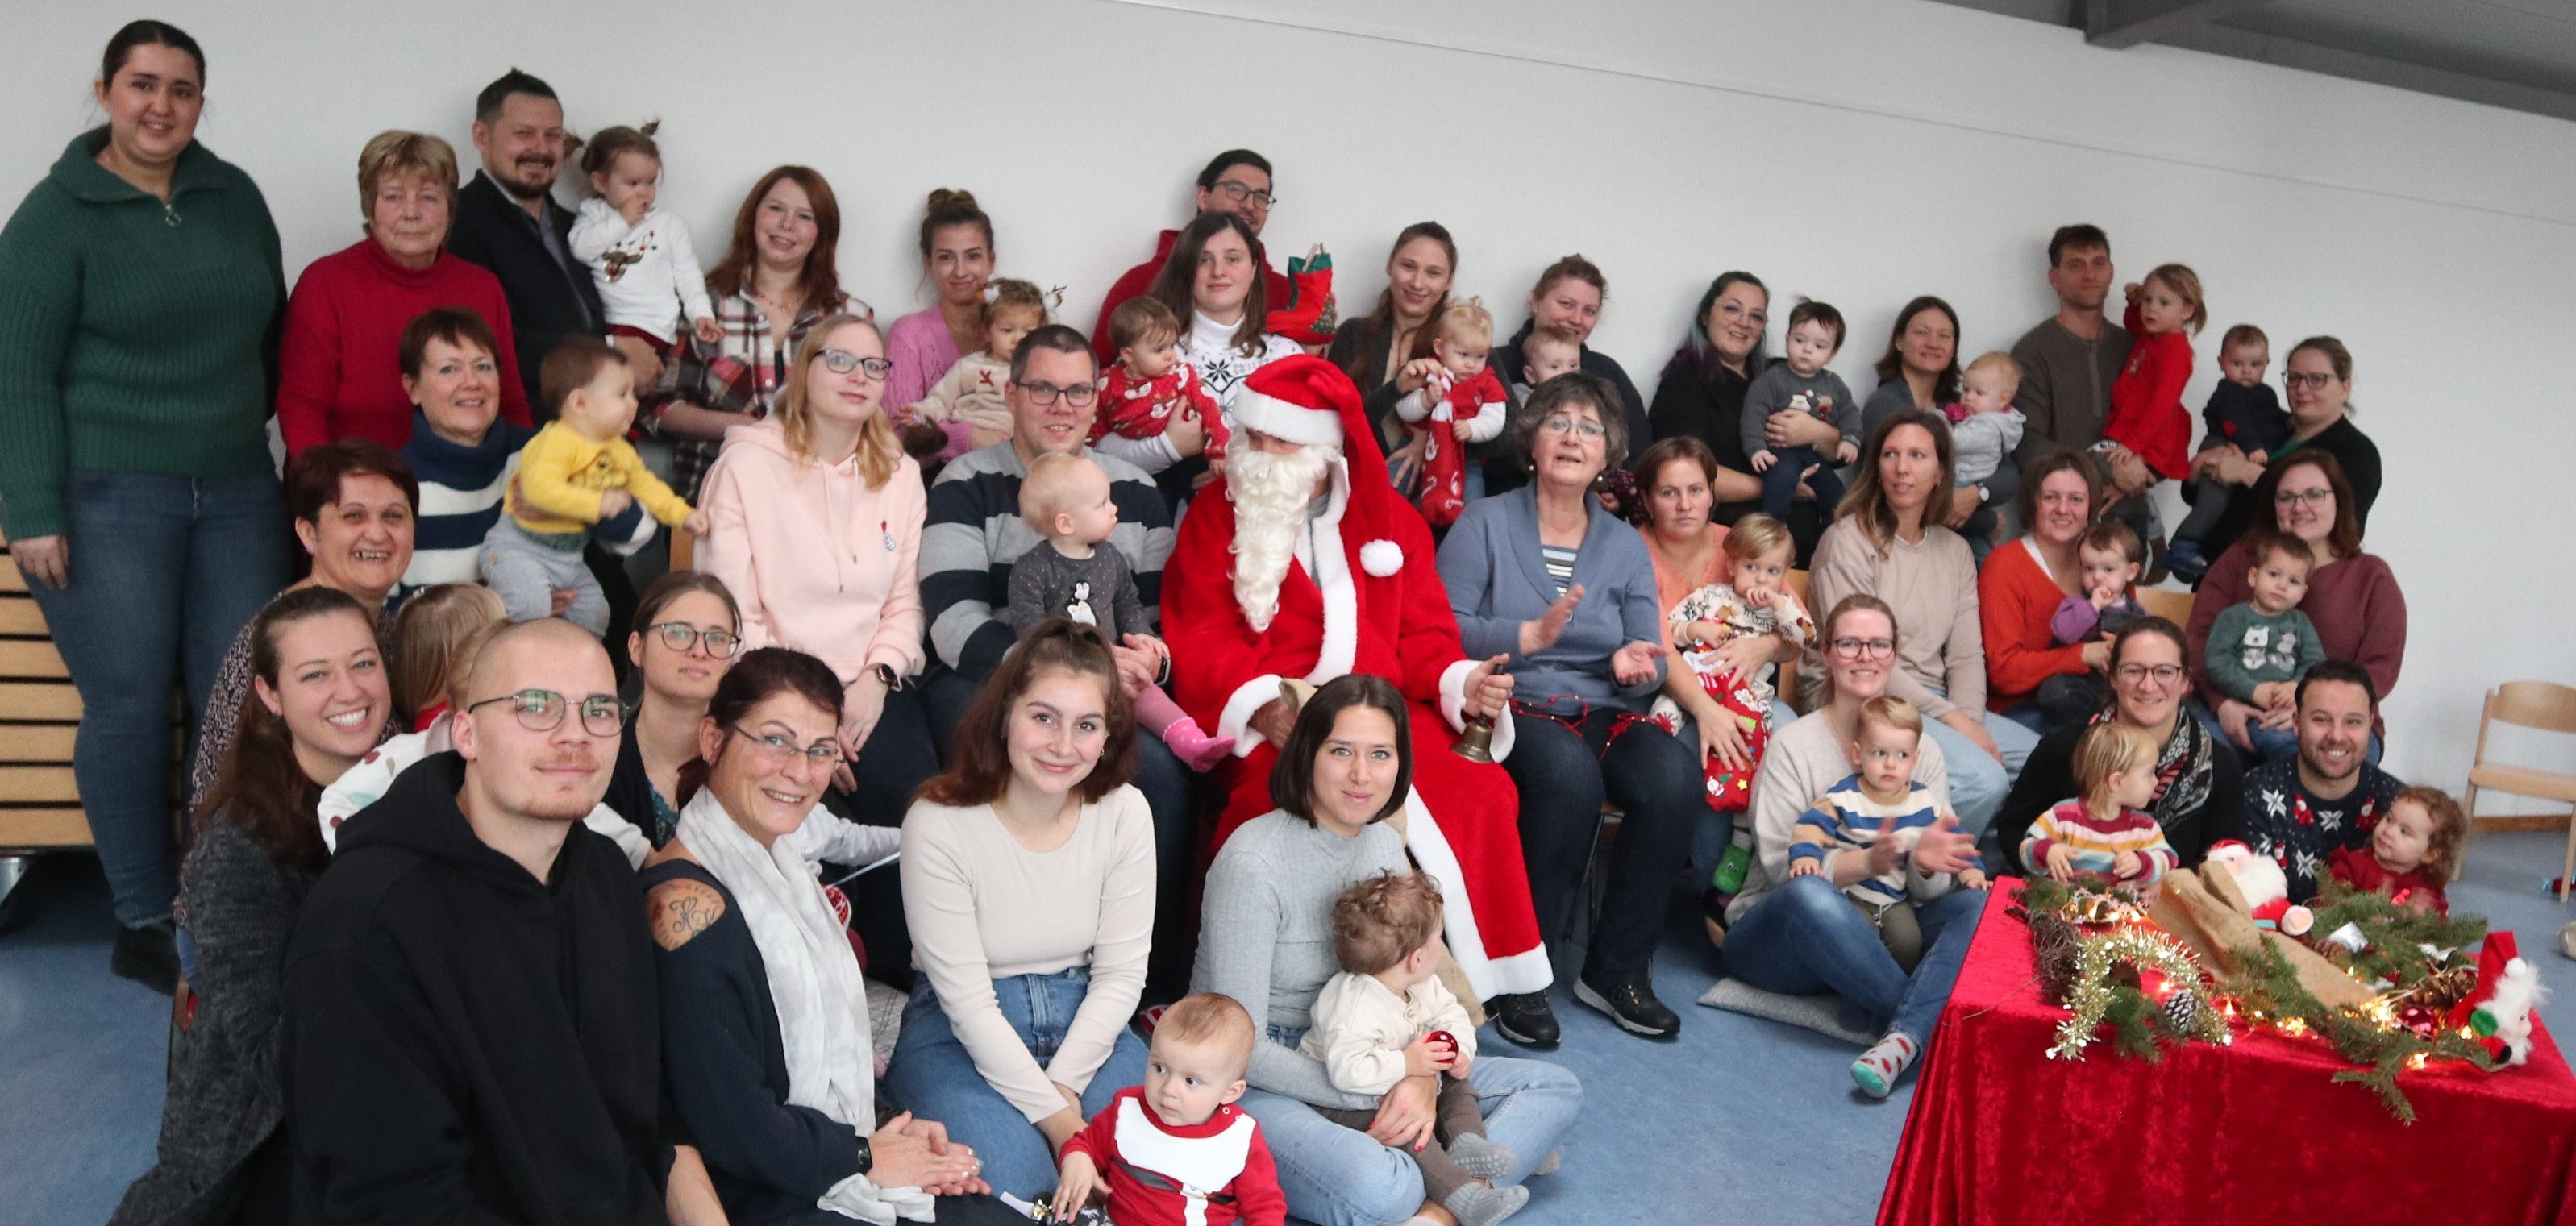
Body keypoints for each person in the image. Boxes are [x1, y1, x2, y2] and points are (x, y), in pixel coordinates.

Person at [0, 20, 293, 987]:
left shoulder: (234, 196)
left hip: (238, 489)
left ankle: (217, 896)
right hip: (105, 494)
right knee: (127, 704)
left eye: (180, 88)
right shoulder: (54, 216)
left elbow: (270, 335)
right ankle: (138, 917)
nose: (160, 104)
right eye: (141, 84)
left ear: (201, 102)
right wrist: (31, 506)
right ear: (105, 92)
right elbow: (18, 377)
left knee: (233, 704)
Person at [281, 619, 724, 1224]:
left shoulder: (604, 875)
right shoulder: (364, 925)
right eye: (535, 706)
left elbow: (650, 1118)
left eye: (598, 709)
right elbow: (399, 1204)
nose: (574, 735)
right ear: (465, 731)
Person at [1162, 356, 1549, 1035]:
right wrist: (1261, 704)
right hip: (1278, 715)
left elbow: (1426, 635)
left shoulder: (1390, 521)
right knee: (1275, 802)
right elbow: (1196, 632)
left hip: (1385, 711)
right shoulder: (1212, 516)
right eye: (1250, 437)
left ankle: (1501, 973)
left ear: (1321, 451)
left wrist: (1464, 682)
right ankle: (1291, 980)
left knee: (1480, 790)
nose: (1253, 455)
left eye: (1275, 442)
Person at [1193, 675, 1579, 1226]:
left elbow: (1419, 986)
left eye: (1380, 754)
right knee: (1379, 1187)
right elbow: (1240, 1047)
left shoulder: (1380, 842)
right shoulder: (1253, 862)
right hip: (1269, 1078)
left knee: (1553, 1086)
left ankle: (1440, 1204)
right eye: (1341, 751)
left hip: (1381, 1045)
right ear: (1306, 754)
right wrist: (1388, 1083)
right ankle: (1450, 1184)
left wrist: (1420, 1078)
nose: (1361, 774)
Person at [647, 646, 985, 1224]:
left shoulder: (780, 863)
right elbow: (731, 1124)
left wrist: (882, 1129)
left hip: (819, 1161)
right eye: (774, 740)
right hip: (765, 1195)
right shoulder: (685, 904)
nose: (800, 771)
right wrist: (863, 1153)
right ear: (712, 739)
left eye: (821, 750)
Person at [918, 325, 1192, 997]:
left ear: (1096, 398)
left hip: (1106, 689)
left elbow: (1150, 617)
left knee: (1160, 774)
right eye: (1043, 387)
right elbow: (952, 619)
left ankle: (1144, 989)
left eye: (1077, 390)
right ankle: (993, 974)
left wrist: (1146, 664)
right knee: (1011, 751)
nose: (1061, 405)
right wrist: (1047, 683)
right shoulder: (966, 483)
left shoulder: (1131, 491)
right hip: (988, 681)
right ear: (1011, 393)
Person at [109, 588, 390, 1226]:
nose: (350, 690)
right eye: (315, 674)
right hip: (267, 1142)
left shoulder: (411, 786)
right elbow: (279, 1063)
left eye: (363, 663)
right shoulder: (239, 851)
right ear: (270, 695)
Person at [1438, 374, 1699, 1041]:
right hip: (1512, 704)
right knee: (1567, 778)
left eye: (1588, 427)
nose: (1572, 437)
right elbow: (1442, 628)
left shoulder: (1622, 544)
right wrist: (1525, 637)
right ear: (1531, 439)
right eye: (1558, 422)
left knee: (1672, 777)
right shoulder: (1484, 522)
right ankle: (1523, 973)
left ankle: (1616, 970)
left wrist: (1636, 667)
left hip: (1605, 708)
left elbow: (1653, 654)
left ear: (1608, 449)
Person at [884, 622, 1154, 1199]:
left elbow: (1121, 975)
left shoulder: (1125, 811)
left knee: (1150, 1177)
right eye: (1042, 717)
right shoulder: (937, 821)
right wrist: (1063, 1126)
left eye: (1086, 725)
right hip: (963, 1030)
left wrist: (1063, 1089)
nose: (1062, 744)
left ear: (1107, 736)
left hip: (1090, 1023)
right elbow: (969, 1005)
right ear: (1005, 714)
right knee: (1016, 1190)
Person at [696, 318, 938, 889]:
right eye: (840, 361)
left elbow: (906, 603)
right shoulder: (745, 465)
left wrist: (877, 679)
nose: (859, 377)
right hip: (770, 692)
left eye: (874, 366)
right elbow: (731, 614)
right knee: (794, 808)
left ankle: (900, 969)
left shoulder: (901, 475)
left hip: (868, 688)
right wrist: (814, 727)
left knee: (923, 811)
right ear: (805, 371)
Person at [1723, 596, 1987, 1099]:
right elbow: (1785, 873)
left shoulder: (1922, 749)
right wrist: (1867, 861)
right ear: (1826, 653)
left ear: (1894, 654)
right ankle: (1930, 1031)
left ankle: (1902, 1038)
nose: (1865, 656)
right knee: (1812, 895)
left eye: (1878, 644)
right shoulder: (1793, 745)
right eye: (1849, 643)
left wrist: (1928, 865)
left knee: (1976, 906)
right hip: (1783, 931)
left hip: (1885, 926)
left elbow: (1928, 892)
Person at [1806, 410, 2038, 836]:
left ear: (1940, 472)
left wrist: (1968, 721)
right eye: (1891, 454)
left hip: (1935, 701)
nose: (1902, 467)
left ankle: (1972, 877)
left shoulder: (1954, 551)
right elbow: (1864, 664)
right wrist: (1956, 723)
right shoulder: (1848, 540)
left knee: (2040, 763)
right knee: (1982, 780)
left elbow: (1967, 654)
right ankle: (1906, 877)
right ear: (1876, 468)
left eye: (1917, 455)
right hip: (1863, 700)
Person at [188, 443, 417, 822]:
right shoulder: (276, 638)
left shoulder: (395, 630)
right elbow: (223, 793)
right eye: (353, 516)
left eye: (394, 516)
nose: (377, 534)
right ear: (309, 534)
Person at [1629, 437, 1804, 919]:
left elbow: (1797, 631)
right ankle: (1719, 899)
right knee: (1716, 750)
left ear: (1713, 492)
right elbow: (1654, 646)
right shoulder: (1631, 550)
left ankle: (1782, 889)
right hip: (1663, 698)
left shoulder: (1742, 544)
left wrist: (1764, 645)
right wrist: (1708, 712)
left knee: (1791, 740)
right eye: (1669, 493)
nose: (1686, 505)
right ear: (1646, 499)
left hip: (1747, 691)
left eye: (1697, 490)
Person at [277, 130, 530, 455]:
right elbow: (302, 406)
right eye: (394, 196)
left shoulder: (482, 287)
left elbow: (510, 402)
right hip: (357, 487)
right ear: (371, 208)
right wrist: (327, 487)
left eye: (428, 197)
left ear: (449, 209)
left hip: (470, 482)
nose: (412, 213)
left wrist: (525, 475)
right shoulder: (325, 283)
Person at [1298, 872, 1522, 1226]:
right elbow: (1347, 1071)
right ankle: (1464, 1197)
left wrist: (1459, 1052)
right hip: (1342, 1100)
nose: (1442, 945)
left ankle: (1467, 1143)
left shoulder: (1423, 984)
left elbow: (1453, 1015)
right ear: (1416, 959)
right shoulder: (1354, 1005)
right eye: (1439, 939)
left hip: (1404, 1075)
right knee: (1409, 1134)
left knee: (1459, 1082)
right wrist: (1406, 1064)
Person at [644, 165, 861, 502]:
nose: (786, 225)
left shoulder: (850, 319)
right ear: (753, 217)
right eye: (776, 209)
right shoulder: (703, 305)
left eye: (805, 216)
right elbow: (659, 409)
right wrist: (746, 427)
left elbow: (865, 421)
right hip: (710, 499)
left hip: (816, 504)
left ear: (822, 232)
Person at [1008, 453, 1231, 770]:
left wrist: (1142, 635)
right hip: (1059, 673)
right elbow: (1031, 629)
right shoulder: (1032, 569)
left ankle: (1190, 742)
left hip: (1114, 668)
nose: (1114, 510)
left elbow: (1127, 602)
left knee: (1146, 691)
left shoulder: (1110, 557)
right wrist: (1076, 659)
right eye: (1102, 505)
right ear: (1065, 523)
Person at [2185, 451, 2404, 758]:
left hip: (2334, 721)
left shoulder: (2371, 575)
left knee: (2313, 766)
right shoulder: (2240, 559)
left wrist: (2314, 710)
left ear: (2338, 501)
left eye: (2314, 495)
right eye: (2286, 497)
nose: (2299, 507)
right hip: (2229, 709)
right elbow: (2198, 639)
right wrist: (2223, 702)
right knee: (2200, 757)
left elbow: (2380, 668)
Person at [1995, 618, 2247, 876]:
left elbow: (2226, 863)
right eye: (2134, 670)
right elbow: (2013, 829)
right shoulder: (2065, 749)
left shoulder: (2219, 766)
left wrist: (2165, 887)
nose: (2148, 686)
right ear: (2113, 676)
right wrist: (2052, 868)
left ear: (2185, 682)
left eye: (2164, 672)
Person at [485, 338, 702, 634]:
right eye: (622, 394)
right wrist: (596, 505)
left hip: (568, 558)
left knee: (596, 613)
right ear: (580, 403)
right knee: (530, 608)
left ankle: (577, 674)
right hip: (519, 549)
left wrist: (683, 515)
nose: (633, 404)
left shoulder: (618, 449)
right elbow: (539, 490)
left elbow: (647, 486)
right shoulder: (555, 441)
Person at [1051, 992, 1288, 1226]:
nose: (1168, 1089)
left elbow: (1265, 1208)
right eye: (1160, 1068)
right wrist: (1077, 1159)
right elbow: (1084, 1143)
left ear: (1231, 1092)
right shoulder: (1126, 1109)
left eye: (1190, 1081)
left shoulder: (1240, 1138)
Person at [1785, 696, 1983, 975]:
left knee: (1909, 941)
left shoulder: (1924, 800)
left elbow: (1953, 840)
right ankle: (1864, 988)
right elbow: (1809, 827)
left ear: (1914, 760)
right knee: (1858, 937)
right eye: (1880, 753)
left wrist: (1971, 874)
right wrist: (1805, 857)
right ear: (1858, 754)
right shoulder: (1844, 796)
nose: (1891, 764)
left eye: (1902, 756)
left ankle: (1895, 988)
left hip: (1894, 898)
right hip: (1849, 894)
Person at [1117, 212, 1304, 502]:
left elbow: (1317, 457)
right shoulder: (1148, 353)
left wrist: (1239, 474)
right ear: (1185, 270)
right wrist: (1170, 448)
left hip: (1265, 523)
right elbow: (1102, 452)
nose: (1219, 271)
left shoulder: (1286, 356)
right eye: (1204, 260)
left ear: (1254, 269)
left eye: (1233, 259)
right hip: (1173, 526)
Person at [1644, 272, 1831, 555]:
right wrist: (1777, 486)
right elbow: (1685, 475)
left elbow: (1839, 448)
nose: (1744, 323)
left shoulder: (1782, 375)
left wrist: (1817, 431)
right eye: (1732, 309)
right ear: (1706, 315)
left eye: (1756, 316)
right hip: (1731, 551)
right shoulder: (1683, 385)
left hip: (1800, 549)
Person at [446, 69, 601, 408]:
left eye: (553, 136)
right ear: (482, 137)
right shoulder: (456, 223)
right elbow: (486, 342)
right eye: (524, 134)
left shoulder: (579, 226)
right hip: (520, 434)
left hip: (596, 423)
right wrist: (610, 351)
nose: (541, 149)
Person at [1092, 150, 1332, 366]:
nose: (1249, 204)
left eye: (1261, 196)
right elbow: (1099, 379)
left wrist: (1311, 346)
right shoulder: (1139, 282)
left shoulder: (1285, 294)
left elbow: (1306, 393)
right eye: (1236, 190)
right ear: (1203, 197)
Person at [1648, 513, 1813, 817]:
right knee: (1663, 716)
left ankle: (1742, 826)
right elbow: (1670, 626)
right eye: (1751, 568)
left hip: (1746, 696)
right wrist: (1697, 630)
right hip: (1698, 684)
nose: (1761, 578)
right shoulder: (1711, 597)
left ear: (1785, 572)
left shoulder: (1780, 610)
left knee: (1749, 752)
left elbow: (1806, 637)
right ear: (1732, 565)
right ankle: (1651, 761)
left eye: (1772, 571)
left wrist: (1779, 606)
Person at [2194, 335, 2383, 563]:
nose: (2302, 389)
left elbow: (2344, 536)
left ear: (2345, 387)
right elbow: (2197, 494)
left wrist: (2247, 473)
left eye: (2317, 379)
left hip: (2278, 588)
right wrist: (2205, 463)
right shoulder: (2267, 426)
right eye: (2294, 378)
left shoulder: (2358, 452)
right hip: (2216, 571)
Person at [569, 123, 719, 391]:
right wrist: (622, 221)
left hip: (657, 327)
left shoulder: (667, 224)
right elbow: (580, 249)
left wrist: (701, 314)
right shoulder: (593, 215)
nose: (644, 192)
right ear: (600, 182)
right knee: (601, 388)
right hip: (612, 326)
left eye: (650, 182)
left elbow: (688, 274)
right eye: (633, 183)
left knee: (635, 386)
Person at [2239, 660, 2401, 901]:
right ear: (2296, 723)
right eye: (2321, 719)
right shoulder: (2255, 795)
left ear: (2370, 726)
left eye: (2353, 722)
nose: (2336, 736)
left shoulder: (2397, 805)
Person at [604, 571, 743, 846]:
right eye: (679, 633)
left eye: (716, 638)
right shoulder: (599, 757)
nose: (700, 651)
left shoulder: (749, 758)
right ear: (637, 648)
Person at [1487, 256, 1647, 477]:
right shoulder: (1493, 364)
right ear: (1535, 301)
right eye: (1566, 304)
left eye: (1589, 311)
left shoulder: (1607, 373)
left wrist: (1617, 492)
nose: (1576, 319)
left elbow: (1641, 453)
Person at [1325, 222, 1455, 457]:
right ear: (1390, 265)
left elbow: (1508, 434)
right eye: (1408, 266)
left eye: (1433, 273)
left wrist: (1431, 439)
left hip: (1426, 491)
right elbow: (1331, 424)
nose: (1417, 283)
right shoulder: (1354, 334)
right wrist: (1396, 390)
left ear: (1448, 282)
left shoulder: (1462, 345)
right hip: (1352, 480)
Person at [2167, 324, 2285, 580]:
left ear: (2267, 364)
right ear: (2222, 363)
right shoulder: (2227, 391)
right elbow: (2236, 422)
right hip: (2220, 444)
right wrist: (2254, 447)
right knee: (2214, 501)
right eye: (2237, 363)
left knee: (2227, 504)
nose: (2246, 371)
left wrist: (2270, 451)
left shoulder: (2267, 394)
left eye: (2255, 365)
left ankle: (2200, 546)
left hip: (2244, 451)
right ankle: (2182, 543)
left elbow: (2273, 425)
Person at [2204, 535, 2326, 763]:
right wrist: (2253, 690)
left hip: (2284, 714)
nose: (2282, 585)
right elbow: (2216, 662)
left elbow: (2315, 663)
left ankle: (2289, 796)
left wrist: (2296, 686)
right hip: (2242, 707)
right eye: (2274, 575)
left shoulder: (2301, 623)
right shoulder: (2234, 617)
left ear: (2302, 592)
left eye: (2293, 581)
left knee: (2296, 746)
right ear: (2253, 576)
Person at [1389, 297, 1508, 526]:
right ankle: (1386, 531)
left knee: (1473, 513)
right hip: (1416, 449)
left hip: (1463, 458)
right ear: (1439, 348)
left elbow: (1496, 418)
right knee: (1389, 487)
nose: (1471, 365)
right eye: (1463, 355)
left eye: (1480, 357)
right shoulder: (1429, 371)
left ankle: (1464, 544)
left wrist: (1473, 428)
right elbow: (1402, 409)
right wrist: (1425, 400)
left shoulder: (1487, 382)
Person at [905, 278, 1051, 459]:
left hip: (1018, 455)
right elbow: (941, 401)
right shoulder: (969, 367)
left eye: (1028, 332)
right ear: (987, 331)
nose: (1018, 339)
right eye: (1007, 330)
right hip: (968, 452)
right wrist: (919, 413)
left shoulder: (1042, 371)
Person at [1743, 300, 1861, 522]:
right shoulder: (1771, 379)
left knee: (1839, 499)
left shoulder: (1834, 384)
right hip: (1780, 453)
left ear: (1832, 354)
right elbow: (1753, 413)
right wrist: (1756, 449)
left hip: (1815, 456)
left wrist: (1850, 439)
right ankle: (1774, 531)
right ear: (1787, 340)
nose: (1807, 350)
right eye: (1799, 340)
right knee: (1780, 484)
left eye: (1819, 346)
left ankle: (1832, 540)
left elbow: (1849, 414)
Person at [2020, 721, 2177, 885]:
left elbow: (2169, 860)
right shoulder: (2062, 817)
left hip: (2119, 909)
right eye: (2149, 773)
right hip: (2062, 906)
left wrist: (2141, 862)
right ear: (2116, 782)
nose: (2156, 781)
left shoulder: (2144, 828)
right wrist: (2048, 851)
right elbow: (2026, 849)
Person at [885, 189, 996, 413]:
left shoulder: (1021, 325)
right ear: (929, 262)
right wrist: (970, 437)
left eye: (973, 256)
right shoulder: (909, 334)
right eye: (946, 258)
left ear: (991, 261)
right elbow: (898, 427)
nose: (960, 271)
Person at [2099, 264, 2206, 484]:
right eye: (2148, 300)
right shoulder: (2155, 336)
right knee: (2106, 478)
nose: (2151, 309)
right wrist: (2133, 302)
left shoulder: (2175, 352)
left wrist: (2133, 444)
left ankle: (2143, 513)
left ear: (2187, 311)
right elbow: (2133, 324)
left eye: (2164, 303)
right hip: (2132, 430)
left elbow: (2162, 405)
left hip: (2150, 442)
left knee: (2103, 471)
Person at [2034, 521, 2148, 728]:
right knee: (2055, 691)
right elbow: (2064, 633)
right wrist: (2093, 606)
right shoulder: (2076, 605)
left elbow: (2150, 648)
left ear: (2130, 572)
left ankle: (2112, 726)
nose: (2097, 577)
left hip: (2117, 687)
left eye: (2108, 569)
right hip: (2080, 683)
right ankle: (2086, 730)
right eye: (2089, 569)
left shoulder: (2138, 613)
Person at [1093, 296, 1225, 469]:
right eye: (1159, 349)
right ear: (1128, 355)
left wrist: (1218, 452)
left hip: (1187, 461)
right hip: (1136, 463)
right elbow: (1095, 425)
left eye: (1172, 345)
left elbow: (1210, 410)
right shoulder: (1106, 383)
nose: (1171, 355)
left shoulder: (1181, 375)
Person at [1941, 353, 2028, 559]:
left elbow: (1953, 442)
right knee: (1974, 539)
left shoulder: (1988, 426)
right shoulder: (1988, 419)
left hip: (1965, 480)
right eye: (1966, 390)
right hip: (1971, 482)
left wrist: (1937, 420)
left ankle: (1985, 564)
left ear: (2003, 400)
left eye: (1979, 393)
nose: (1969, 397)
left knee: (1971, 541)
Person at [2328, 785, 2462, 916]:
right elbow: (2327, 911)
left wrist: (2421, 921)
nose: (2388, 831)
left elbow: (2443, 931)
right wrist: (2368, 914)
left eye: (2404, 831)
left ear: (2429, 854)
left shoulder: (2427, 888)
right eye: (2389, 819)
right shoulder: (2352, 865)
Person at [1860, 296, 1962, 438]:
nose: (1933, 343)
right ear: (1899, 340)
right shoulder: (1883, 405)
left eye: (1944, 336)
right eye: (1921, 332)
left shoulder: (1963, 404)